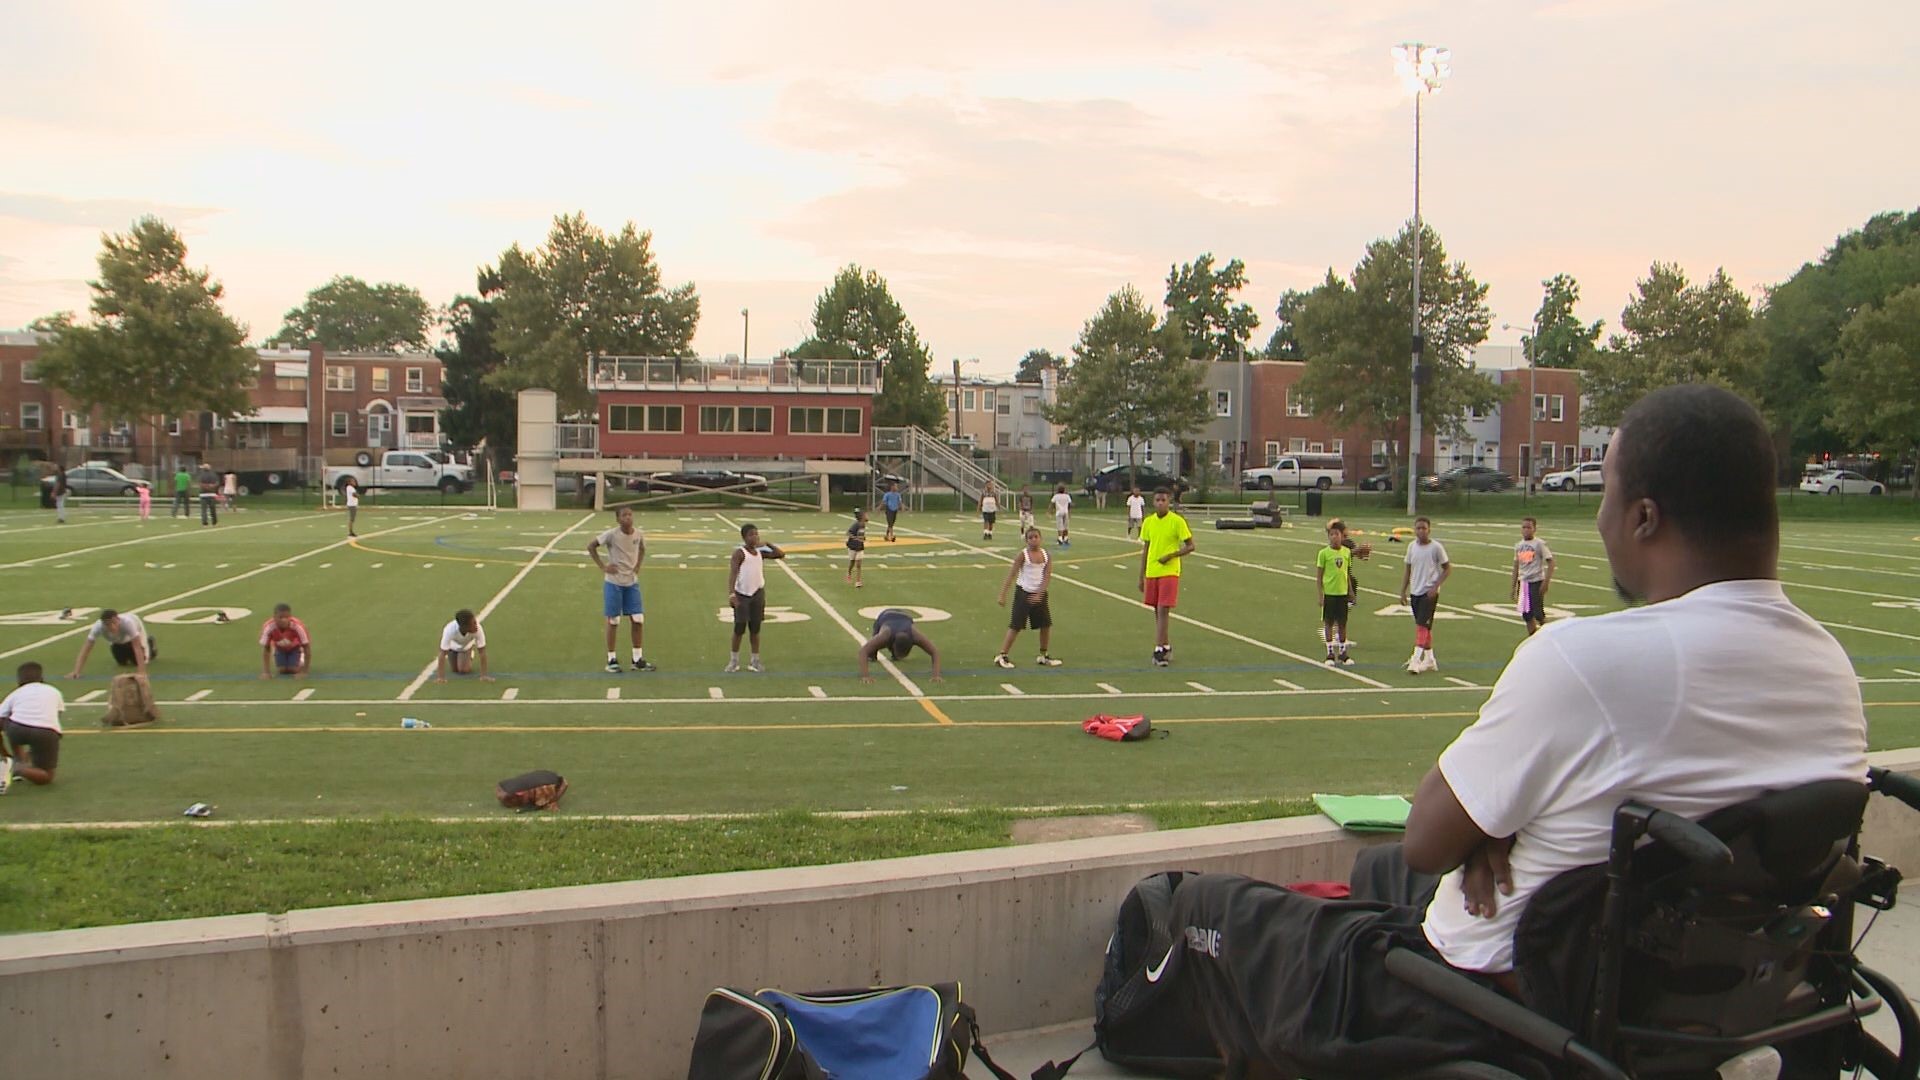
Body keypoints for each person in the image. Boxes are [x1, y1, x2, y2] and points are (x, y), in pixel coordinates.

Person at [1165, 383, 1869, 1076]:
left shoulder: (1585, 661)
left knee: (1205, 908)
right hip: (1689, 993)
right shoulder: (1829, 669)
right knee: (1376, 870)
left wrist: (1489, 829)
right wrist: (1496, 830)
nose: (1600, 519)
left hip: (1508, 1006)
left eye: (1607, 494)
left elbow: (1429, 839)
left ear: (1645, 518)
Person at [587, 505, 654, 673]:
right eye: (624, 515)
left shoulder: (638, 534)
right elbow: (591, 546)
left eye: (630, 514)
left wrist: (637, 566)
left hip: (631, 583)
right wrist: (603, 566)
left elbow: (642, 549)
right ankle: (611, 659)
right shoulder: (611, 535)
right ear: (618, 519)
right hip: (614, 583)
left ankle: (637, 659)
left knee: (638, 619)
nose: (628, 518)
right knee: (613, 620)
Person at [1137, 488, 1194, 667]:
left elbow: (1190, 546)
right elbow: (1146, 549)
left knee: (1163, 609)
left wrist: (1171, 555)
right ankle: (1166, 645)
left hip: (1169, 571)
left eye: (1164, 500)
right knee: (1157, 610)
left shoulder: (1177, 521)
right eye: (1157, 500)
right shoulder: (1149, 522)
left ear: (1169, 502)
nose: (1161, 503)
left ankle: (1159, 649)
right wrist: (1141, 575)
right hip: (1152, 571)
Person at [994, 527, 1063, 669]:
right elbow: (1012, 574)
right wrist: (1002, 594)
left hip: (1039, 594)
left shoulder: (1046, 555)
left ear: (1041, 538)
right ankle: (1002, 655)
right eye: (1030, 538)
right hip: (1023, 593)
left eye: (1036, 537)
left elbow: (1047, 576)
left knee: (1045, 625)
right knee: (1016, 625)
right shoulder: (1023, 555)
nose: (1034, 540)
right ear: (1026, 540)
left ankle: (1043, 655)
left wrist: (1039, 593)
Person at [725, 523, 787, 673]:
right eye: (751, 535)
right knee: (739, 628)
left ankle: (755, 660)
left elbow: (780, 554)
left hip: (757, 594)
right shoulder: (740, 553)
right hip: (742, 595)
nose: (755, 537)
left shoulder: (760, 552)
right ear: (744, 537)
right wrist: (732, 594)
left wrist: (768, 544)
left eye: (756, 534)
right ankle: (734, 660)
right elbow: (733, 573)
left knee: (755, 629)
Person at [0, 662, 64, 791]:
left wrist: (3, 750)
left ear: (19, 680)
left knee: (12, 721)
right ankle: (17, 767)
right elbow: (56, 717)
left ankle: (10, 761)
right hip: (46, 732)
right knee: (46, 776)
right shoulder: (54, 691)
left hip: (16, 729)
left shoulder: (16, 693)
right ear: (42, 677)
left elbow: (2, 715)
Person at [1399, 516, 1450, 673]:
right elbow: (1408, 569)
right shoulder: (1411, 547)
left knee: (1422, 626)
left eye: (1424, 528)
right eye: (1418, 528)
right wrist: (1403, 591)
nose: (1421, 531)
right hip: (1415, 591)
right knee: (1424, 627)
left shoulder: (1436, 548)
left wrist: (1436, 586)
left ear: (1429, 530)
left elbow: (1447, 568)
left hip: (1429, 593)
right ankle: (1430, 659)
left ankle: (1415, 660)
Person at [856, 608, 942, 682]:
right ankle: (890, 654)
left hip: (905, 616)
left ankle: (895, 656)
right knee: (872, 655)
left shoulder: (915, 635)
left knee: (893, 656)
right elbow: (863, 651)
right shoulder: (885, 635)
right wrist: (865, 676)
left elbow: (935, 652)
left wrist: (936, 675)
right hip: (885, 616)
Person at [68, 609, 157, 678]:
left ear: (118, 620)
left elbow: (136, 646)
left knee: (140, 661)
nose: (112, 627)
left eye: (114, 623)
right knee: (122, 662)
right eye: (108, 624)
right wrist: (76, 671)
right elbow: (86, 649)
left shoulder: (128, 623)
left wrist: (141, 672)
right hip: (117, 640)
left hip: (133, 635)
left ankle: (150, 644)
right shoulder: (98, 627)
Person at [1315, 521, 1356, 666]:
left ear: (1342, 536)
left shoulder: (1346, 552)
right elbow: (1319, 576)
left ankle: (1343, 653)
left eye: (1336, 534)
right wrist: (1320, 594)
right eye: (1331, 534)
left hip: (1342, 593)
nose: (1334, 537)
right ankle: (1330, 652)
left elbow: (1346, 573)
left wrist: (1350, 591)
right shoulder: (1323, 553)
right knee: (1329, 623)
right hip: (1330, 594)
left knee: (1342, 623)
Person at [1510, 516, 1555, 636]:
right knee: (1527, 614)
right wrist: (1514, 586)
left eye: (1529, 527)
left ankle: (1549, 635)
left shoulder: (1539, 544)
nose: (1526, 530)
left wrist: (1546, 582)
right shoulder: (1519, 545)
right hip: (1523, 583)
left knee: (1538, 613)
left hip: (1536, 581)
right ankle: (1533, 637)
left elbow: (1551, 562)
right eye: (1524, 527)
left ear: (1534, 529)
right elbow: (1517, 566)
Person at [434, 609, 493, 682]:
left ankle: (470, 654)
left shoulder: (478, 629)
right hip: (452, 647)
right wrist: (441, 677)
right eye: (473, 623)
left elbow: (482, 651)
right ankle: (456, 655)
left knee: (463, 670)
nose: (476, 625)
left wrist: (484, 675)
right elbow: (442, 653)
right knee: (455, 670)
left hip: (466, 646)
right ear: (465, 626)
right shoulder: (449, 630)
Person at [259, 603, 311, 678]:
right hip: (280, 648)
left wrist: (305, 672)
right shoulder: (269, 627)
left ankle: (301, 657)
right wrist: (266, 672)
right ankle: (277, 654)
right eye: (280, 617)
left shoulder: (297, 626)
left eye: (287, 617)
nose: (284, 620)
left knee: (293, 669)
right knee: (282, 670)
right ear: (274, 617)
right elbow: (266, 648)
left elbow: (306, 646)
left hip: (295, 647)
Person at [845, 508, 868, 588]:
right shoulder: (856, 524)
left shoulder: (863, 524)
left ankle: (858, 581)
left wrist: (862, 538)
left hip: (860, 546)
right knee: (852, 562)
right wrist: (855, 538)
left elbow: (861, 535)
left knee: (858, 564)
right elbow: (848, 533)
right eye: (865, 515)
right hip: (853, 546)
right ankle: (849, 573)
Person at [1049, 483, 1073, 547]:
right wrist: (1070, 512)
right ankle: (1066, 538)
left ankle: (1060, 538)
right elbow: (1070, 504)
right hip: (1065, 511)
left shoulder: (1056, 496)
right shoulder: (1067, 496)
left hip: (1059, 512)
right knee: (1066, 526)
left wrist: (1050, 511)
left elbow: (1052, 503)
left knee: (1060, 526)